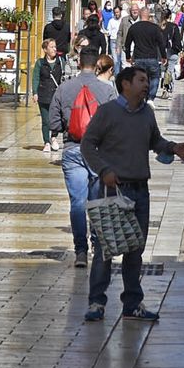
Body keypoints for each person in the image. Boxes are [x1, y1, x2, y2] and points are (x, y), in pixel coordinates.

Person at [79, 67, 184, 322]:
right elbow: (88, 144)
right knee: (105, 249)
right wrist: (103, 169)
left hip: (140, 191)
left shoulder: (147, 113)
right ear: (125, 85)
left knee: (135, 249)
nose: (146, 84)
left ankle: (132, 303)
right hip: (112, 190)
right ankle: (97, 302)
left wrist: (174, 147)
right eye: (141, 80)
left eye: (146, 80)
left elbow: (155, 140)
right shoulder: (108, 112)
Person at [50, 50, 118, 268]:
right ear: (97, 66)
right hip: (99, 153)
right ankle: (97, 247)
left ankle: (80, 251)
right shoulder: (107, 90)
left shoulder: (64, 88)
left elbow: (53, 123)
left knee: (77, 203)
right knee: (97, 201)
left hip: (72, 150)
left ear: (78, 63)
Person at [123, 5, 169, 101]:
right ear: (149, 15)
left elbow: (127, 44)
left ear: (140, 14)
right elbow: (161, 44)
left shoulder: (133, 28)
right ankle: (150, 98)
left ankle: (140, 96)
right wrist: (164, 56)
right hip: (152, 57)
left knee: (139, 78)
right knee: (154, 77)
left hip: (138, 58)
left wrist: (128, 57)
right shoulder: (155, 28)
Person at [34, 37, 66, 154]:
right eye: (51, 47)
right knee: (45, 120)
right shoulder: (40, 63)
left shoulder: (61, 61)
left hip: (56, 94)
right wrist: (35, 92)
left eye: (55, 47)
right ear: (45, 49)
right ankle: (46, 142)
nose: (54, 49)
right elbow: (36, 78)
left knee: (56, 118)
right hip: (43, 94)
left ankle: (54, 137)